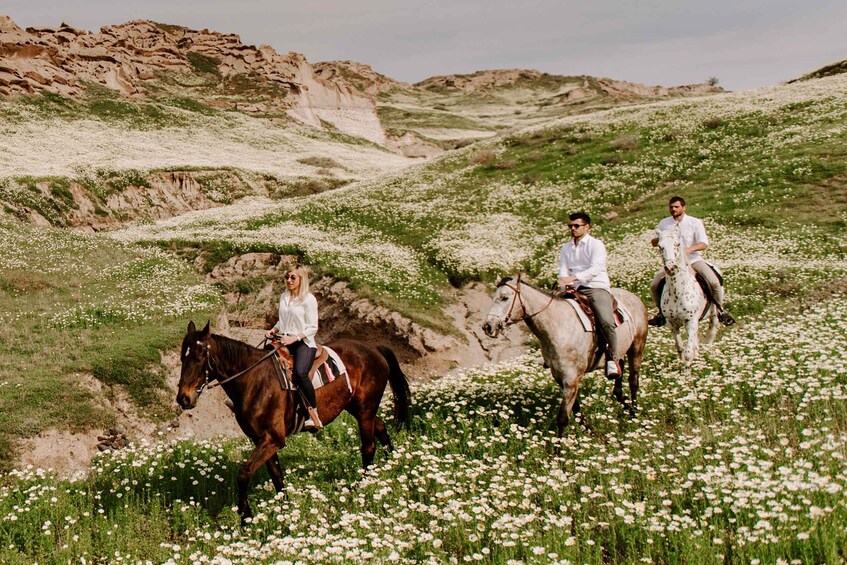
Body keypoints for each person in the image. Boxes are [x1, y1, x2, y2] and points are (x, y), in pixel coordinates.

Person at [649, 196, 735, 327]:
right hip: (673, 262)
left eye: (676, 207)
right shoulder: (664, 223)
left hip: (693, 260)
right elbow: (654, 242)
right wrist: (660, 238)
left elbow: (704, 243)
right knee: (654, 285)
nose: (673, 209)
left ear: (684, 207)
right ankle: (661, 313)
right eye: (671, 207)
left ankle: (720, 310)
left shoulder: (694, 222)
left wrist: (687, 250)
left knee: (714, 282)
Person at [558, 212, 621, 379]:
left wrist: (574, 278)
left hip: (594, 286)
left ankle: (613, 358)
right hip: (573, 287)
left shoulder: (596, 245)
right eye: (570, 226)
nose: (572, 228)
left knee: (606, 321)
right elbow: (563, 268)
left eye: (576, 226)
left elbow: (596, 268)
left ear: (587, 227)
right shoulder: (566, 247)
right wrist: (564, 282)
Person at [265, 264, 323, 428]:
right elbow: (282, 321)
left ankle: (314, 414)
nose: (289, 280)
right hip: (283, 339)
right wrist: (273, 330)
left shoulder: (309, 299)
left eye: (293, 277)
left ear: (301, 279)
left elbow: (313, 327)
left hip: (303, 342)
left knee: (300, 373)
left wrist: (294, 338)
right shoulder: (284, 296)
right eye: (287, 277)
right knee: (262, 362)